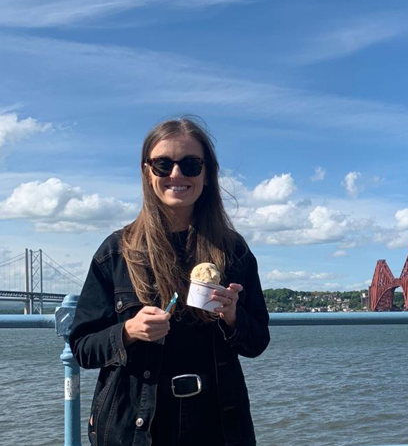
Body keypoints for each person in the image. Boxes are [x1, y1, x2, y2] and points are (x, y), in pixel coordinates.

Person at [69, 117, 270, 446]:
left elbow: (257, 342)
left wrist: (234, 317)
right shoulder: (116, 253)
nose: (176, 174)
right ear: (147, 172)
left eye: (190, 164)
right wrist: (128, 332)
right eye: (163, 164)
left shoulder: (233, 252)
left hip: (218, 426)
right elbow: (82, 348)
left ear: (207, 174)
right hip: (136, 428)